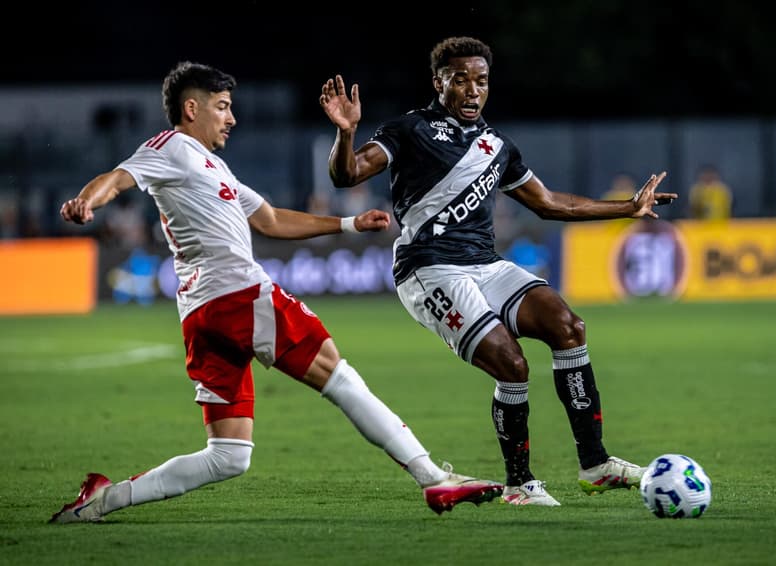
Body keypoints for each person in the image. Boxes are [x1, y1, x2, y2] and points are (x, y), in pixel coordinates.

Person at [50, 61, 503, 523]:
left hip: (204, 315)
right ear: (191, 108)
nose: (231, 117)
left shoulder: (214, 168)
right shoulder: (172, 148)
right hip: (237, 296)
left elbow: (269, 220)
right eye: (222, 107)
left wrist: (348, 223)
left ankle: (103, 499)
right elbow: (119, 176)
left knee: (229, 454)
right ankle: (434, 479)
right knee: (338, 375)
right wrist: (89, 200)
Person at [320, 36, 677, 507]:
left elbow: (549, 204)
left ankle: (595, 465)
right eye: (460, 79)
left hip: (486, 266)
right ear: (438, 82)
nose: (472, 90)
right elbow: (347, 175)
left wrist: (627, 208)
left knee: (568, 326)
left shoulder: (496, 146)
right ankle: (520, 485)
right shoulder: (408, 130)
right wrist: (346, 133)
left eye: (481, 81)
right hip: (429, 270)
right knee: (512, 364)